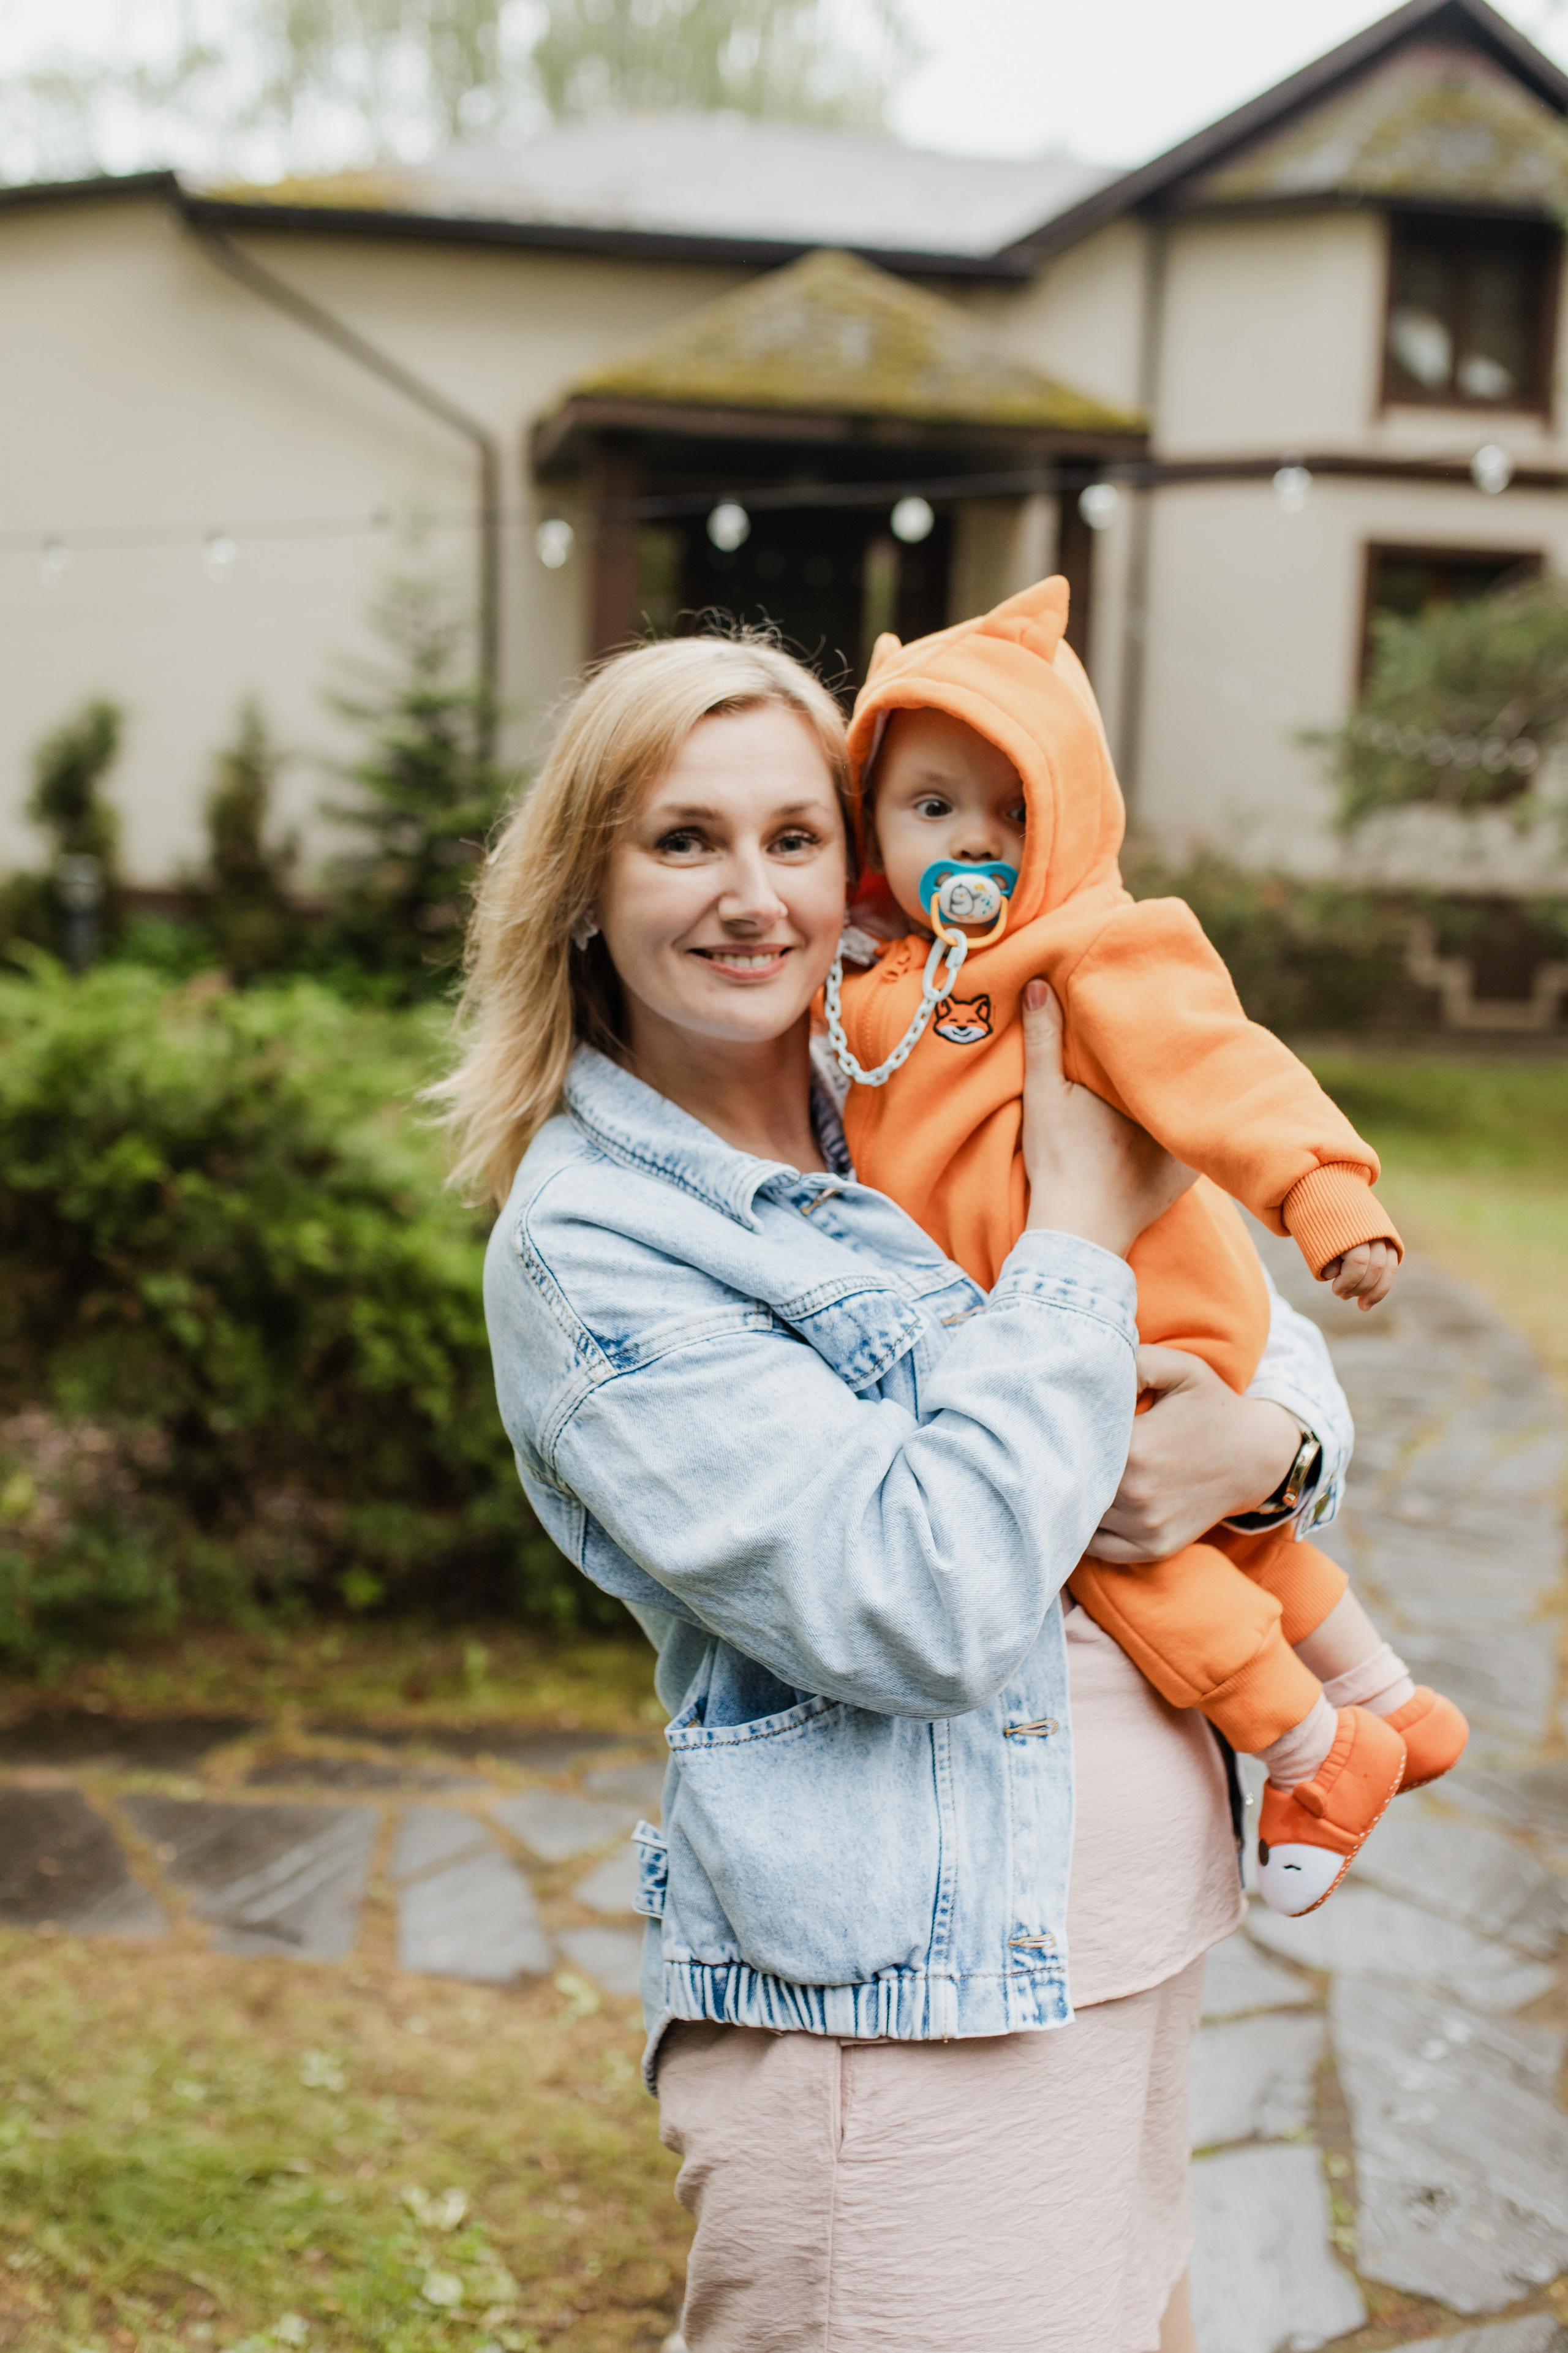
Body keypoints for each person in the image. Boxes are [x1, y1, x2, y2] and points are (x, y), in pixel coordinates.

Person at [439, 630, 1359, 2353]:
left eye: (794, 836)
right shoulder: (600, 1246)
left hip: (1126, 1954)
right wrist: (1074, 1242)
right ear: (584, 885)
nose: (751, 894)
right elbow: (916, 1602)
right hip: (899, 2032)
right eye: (681, 839)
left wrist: (1272, 1450)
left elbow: (1253, 1322)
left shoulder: (918, 1059)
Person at [830, 577, 1466, 1916]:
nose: (979, 844)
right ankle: (1381, 1695)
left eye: (1017, 812)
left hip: (1143, 1300)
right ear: (871, 822)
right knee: (1217, 1531)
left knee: (1105, 1545)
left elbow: (1222, 1066)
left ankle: (1305, 1747)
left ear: (1072, 817)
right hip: (1052, 1310)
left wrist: (1327, 1195)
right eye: (933, 806)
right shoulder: (871, 981)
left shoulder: (1088, 946)